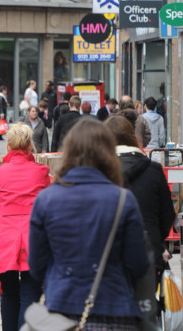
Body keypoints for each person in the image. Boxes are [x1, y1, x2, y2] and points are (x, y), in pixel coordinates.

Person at [29, 118, 149, 328]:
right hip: (114, 308)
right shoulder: (123, 199)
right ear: (108, 154)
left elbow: (36, 266)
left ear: (69, 152)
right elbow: (138, 265)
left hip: (60, 310)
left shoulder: (46, 200)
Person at [0, 123, 50, 330]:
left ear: (8, 147)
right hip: (34, 239)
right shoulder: (41, 173)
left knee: (9, 292)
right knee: (30, 292)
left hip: (6, 238)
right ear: (31, 145)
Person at [104, 115, 175, 289]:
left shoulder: (99, 172)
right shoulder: (153, 170)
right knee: (147, 308)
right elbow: (167, 215)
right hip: (148, 251)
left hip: (108, 254)